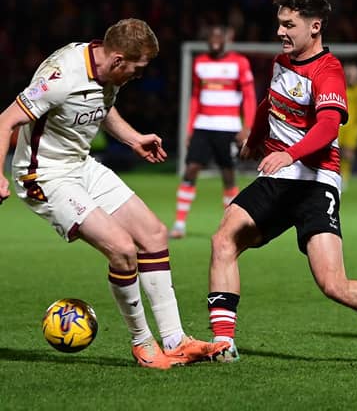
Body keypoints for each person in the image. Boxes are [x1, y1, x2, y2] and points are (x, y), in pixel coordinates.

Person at [205, 0, 357, 365]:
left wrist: (287, 153)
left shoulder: (328, 71)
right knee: (223, 240)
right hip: (278, 179)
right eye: (280, 24)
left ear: (315, 27)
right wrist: (255, 139)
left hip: (315, 183)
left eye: (289, 25)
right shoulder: (282, 62)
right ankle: (223, 344)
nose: (281, 32)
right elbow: (269, 101)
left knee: (333, 284)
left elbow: (328, 127)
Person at [0, 18, 229, 369]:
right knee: (122, 250)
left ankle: (175, 341)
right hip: (44, 175)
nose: (138, 75)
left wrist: (133, 138)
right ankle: (143, 345)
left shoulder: (106, 68)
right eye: (136, 69)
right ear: (119, 59)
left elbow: (102, 107)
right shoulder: (61, 77)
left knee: (153, 234)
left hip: (80, 164)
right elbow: (6, 121)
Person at [170, 25, 256, 239]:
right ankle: (179, 224)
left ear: (227, 38)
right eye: (211, 36)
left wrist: (247, 127)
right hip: (203, 126)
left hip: (229, 128)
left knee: (228, 175)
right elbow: (195, 97)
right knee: (191, 170)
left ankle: (230, 226)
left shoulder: (240, 62)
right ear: (207, 39)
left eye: (219, 36)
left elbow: (249, 97)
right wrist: (190, 129)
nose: (215, 40)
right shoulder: (201, 63)